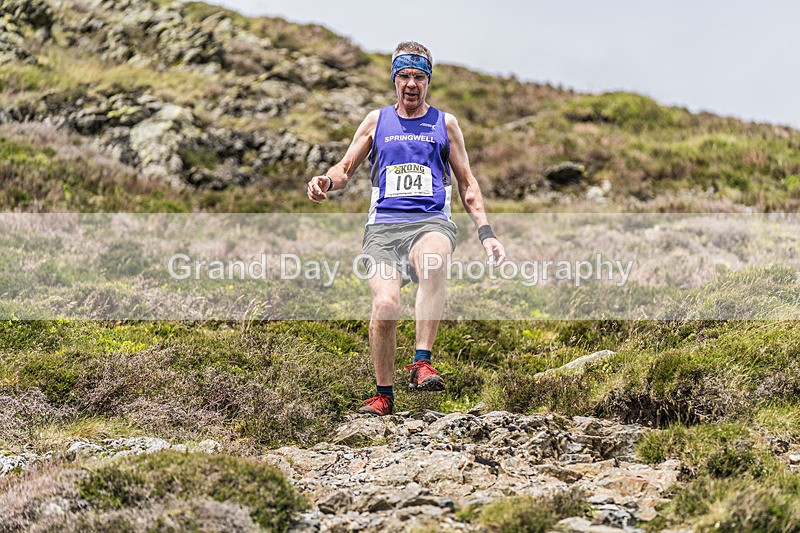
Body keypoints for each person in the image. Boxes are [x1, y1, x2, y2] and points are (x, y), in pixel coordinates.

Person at [306, 41, 505, 416]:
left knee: (432, 260)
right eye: (404, 76)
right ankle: (384, 395)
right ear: (394, 80)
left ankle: (421, 362)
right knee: (385, 305)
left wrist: (486, 231)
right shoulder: (376, 121)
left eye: (418, 77)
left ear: (427, 81)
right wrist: (326, 183)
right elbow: (344, 169)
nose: (411, 84)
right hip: (383, 228)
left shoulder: (445, 124)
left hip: (430, 222)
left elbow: (467, 184)